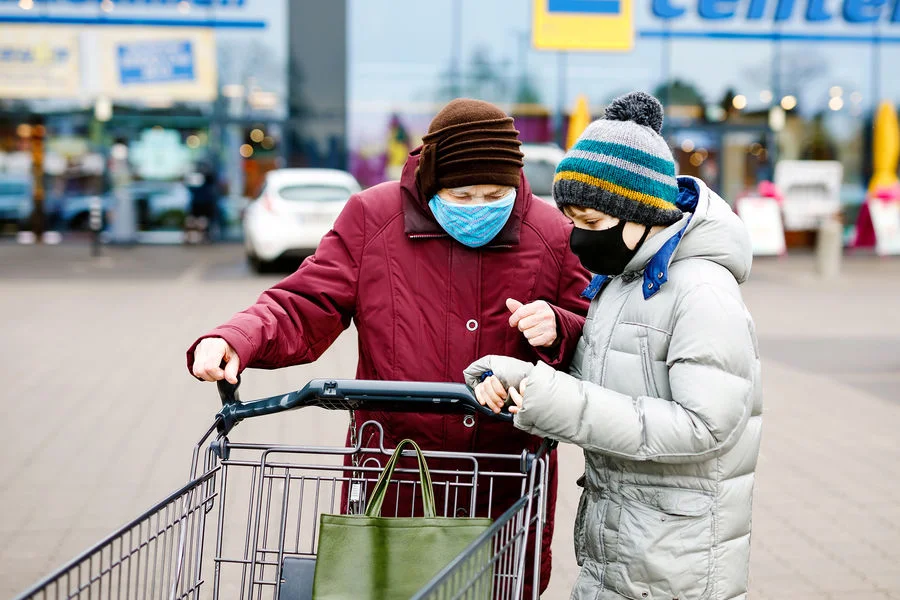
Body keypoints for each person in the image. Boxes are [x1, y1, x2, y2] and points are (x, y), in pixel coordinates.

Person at [188, 98, 591, 594]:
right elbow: (305, 301)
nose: (479, 207)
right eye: (462, 196)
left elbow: (596, 333)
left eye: (495, 193)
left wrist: (560, 326)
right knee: (385, 587)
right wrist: (235, 338)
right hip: (392, 474)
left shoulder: (552, 235)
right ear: (432, 181)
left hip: (504, 477)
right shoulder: (371, 219)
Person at [465, 91, 762, 600]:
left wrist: (553, 401)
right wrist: (520, 376)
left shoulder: (702, 292)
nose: (577, 239)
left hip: (674, 561)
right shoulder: (622, 279)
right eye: (573, 221)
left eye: (593, 224)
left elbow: (705, 426)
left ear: (641, 212)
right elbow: (606, 384)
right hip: (622, 546)